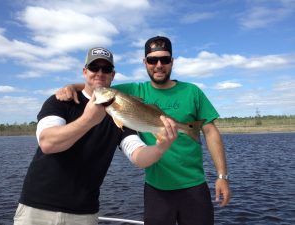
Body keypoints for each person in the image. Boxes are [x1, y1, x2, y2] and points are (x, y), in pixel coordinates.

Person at [56, 36, 231, 225]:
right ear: (144, 62)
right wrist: (72, 87)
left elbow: (211, 132)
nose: (158, 65)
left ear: (172, 62)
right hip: (156, 189)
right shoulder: (133, 90)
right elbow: (99, 89)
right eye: (152, 60)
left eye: (164, 60)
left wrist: (222, 176)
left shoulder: (192, 91)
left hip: (195, 186)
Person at [13, 46, 178, 225]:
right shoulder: (60, 101)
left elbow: (138, 156)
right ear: (85, 71)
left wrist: (161, 147)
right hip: (36, 209)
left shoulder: (119, 115)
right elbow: (47, 143)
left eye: (106, 69)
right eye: (94, 68)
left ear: (112, 75)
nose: (100, 73)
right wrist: (88, 120)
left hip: (84, 214)